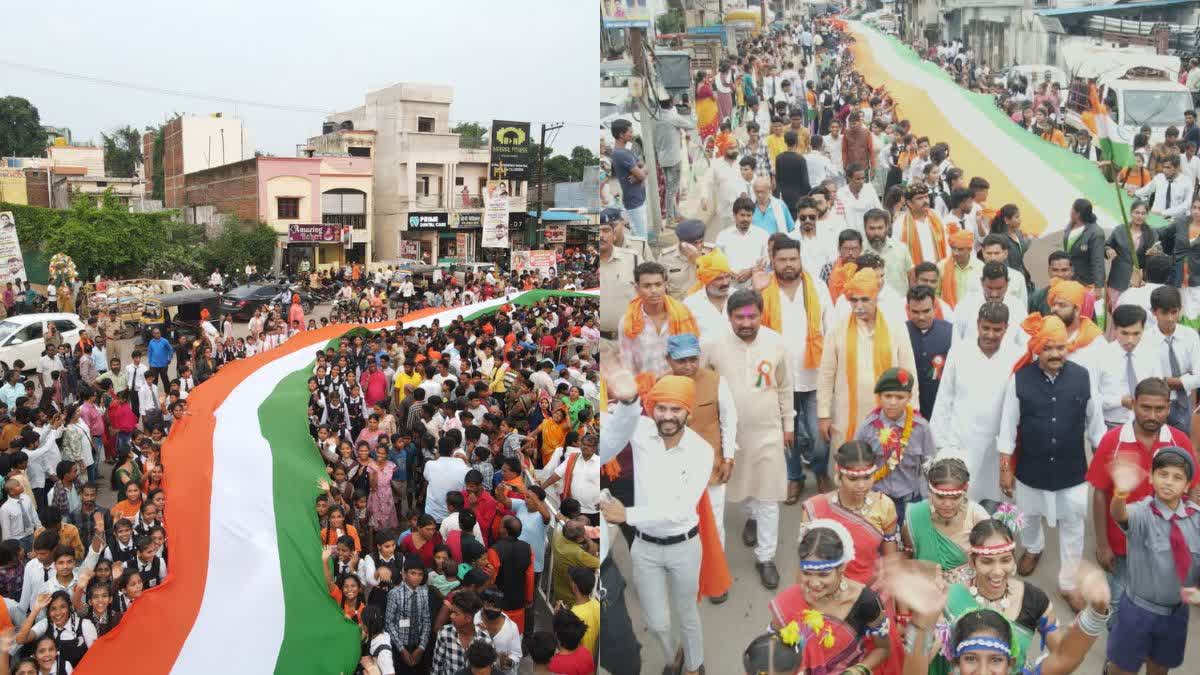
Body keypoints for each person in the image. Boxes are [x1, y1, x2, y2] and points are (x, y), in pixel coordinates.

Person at [599, 372, 719, 675]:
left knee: (687, 613)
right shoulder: (639, 430)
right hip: (645, 548)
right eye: (661, 408)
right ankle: (672, 658)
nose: (667, 416)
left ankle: (693, 666)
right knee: (656, 622)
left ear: (688, 413)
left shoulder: (701, 451)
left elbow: (679, 509)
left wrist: (628, 515)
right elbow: (612, 422)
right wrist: (625, 398)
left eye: (675, 409)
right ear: (651, 409)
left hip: (685, 546)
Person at [998, 314, 1106, 611]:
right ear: (1037, 350)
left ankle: (1069, 583)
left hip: (1072, 470)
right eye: (1049, 348)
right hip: (1030, 469)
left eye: (1060, 347)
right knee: (1028, 516)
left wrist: (1102, 459)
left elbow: (1096, 424)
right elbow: (1008, 427)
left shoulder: (1083, 377)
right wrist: (1006, 469)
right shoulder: (1020, 380)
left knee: (1074, 524)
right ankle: (1033, 548)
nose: (1056, 354)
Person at [1088, 377, 1197, 631]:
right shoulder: (1112, 441)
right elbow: (1100, 494)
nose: (1152, 415)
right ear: (1133, 405)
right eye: (1145, 407)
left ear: (1168, 409)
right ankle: (1117, 658)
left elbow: (1193, 487)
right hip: (1122, 545)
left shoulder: (1179, 441)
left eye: (1159, 409)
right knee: (1118, 601)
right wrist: (1102, 545)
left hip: (1168, 543)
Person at [706, 289, 794, 589]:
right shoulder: (713, 347)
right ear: (729, 317)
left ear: (761, 315)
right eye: (739, 317)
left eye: (752, 316)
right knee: (742, 488)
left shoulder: (777, 344)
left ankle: (765, 557)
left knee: (768, 495)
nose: (746, 323)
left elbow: (784, 387)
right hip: (729, 436)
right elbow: (705, 389)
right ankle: (751, 516)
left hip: (768, 432)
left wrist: (789, 424)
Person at [1106, 446, 1200, 675]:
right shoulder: (1142, 512)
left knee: (1159, 669)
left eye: (1177, 477)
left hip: (1175, 614)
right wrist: (1120, 493)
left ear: (1188, 485)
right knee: (1122, 668)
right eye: (1163, 474)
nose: (1168, 482)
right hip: (1137, 611)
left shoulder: (1196, 519)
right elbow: (1120, 514)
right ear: (1151, 477)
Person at [756, 238, 833, 500]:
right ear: (773, 261)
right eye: (782, 260)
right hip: (778, 378)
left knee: (820, 435)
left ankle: (821, 471)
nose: (788, 265)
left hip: (814, 376)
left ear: (800, 259)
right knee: (787, 436)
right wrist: (755, 292)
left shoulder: (818, 288)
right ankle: (794, 478)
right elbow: (749, 325)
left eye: (793, 259)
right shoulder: (764, 290)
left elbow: (830, 329)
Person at [766, 521, 891, 673]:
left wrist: (857, 670)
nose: (814, 583)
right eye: (807, 573)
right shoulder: (790, 600)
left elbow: (883, 649)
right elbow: (771, 648)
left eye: (823, 574)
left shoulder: (865, 601)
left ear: (842, 567)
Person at [818, 265, 918, 446]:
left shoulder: (894, 326)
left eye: (865, 300)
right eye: (854, 301)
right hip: (847, 415)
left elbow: (909, 371)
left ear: (875, 298)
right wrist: (824, 414)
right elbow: (826, 375)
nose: (859, 306)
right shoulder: (837, 329)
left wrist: (913, 411)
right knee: (850, 465)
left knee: (886, 463)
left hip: (889, 411)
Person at [660, 333, 736, 570]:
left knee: (713, 521)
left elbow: (729, 420)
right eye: (681, 361)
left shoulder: (716, 381)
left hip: (711, 465)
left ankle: (715, 570)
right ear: (668, 360)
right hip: (674, 468)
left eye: (693, 359)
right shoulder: (661, 385)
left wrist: (728, 458)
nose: (688, 365)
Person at [902, 457, 990, 585]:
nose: (947, 504)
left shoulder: (977, 516)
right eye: (940, 496)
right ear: (930, 491)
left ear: (965, 492)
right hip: (924, 588)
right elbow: (907, 555)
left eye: (955, 497)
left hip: (966, 590)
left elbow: (991, 562)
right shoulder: (915, 515)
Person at [618, 262, 699, 379]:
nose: (654, 290)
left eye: (658, 284)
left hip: (679, 386)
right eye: (647, 286)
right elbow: (627, 364)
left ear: (665, 285)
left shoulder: (682, 315)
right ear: (637, 288)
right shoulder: (628, 321)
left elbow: (693, 357)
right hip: (645, 390)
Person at [1145, 286, 1200, 433]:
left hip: (1184, 403)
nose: (1170, 318)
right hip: (1156, 402)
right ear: (1154, 312)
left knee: (1183, 446)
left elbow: (1199, 377)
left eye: (1174, 312)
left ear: (1180, 309)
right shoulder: (1146, 340)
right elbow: (1147, 379)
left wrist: (1164, 381)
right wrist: (1185, 378)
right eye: (1164, 313)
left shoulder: (1191, 336)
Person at [904, 285, 953, 419]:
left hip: (941, 407)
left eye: (926, 311)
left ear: (935, 308)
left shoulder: (950, 332)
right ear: (908, 309)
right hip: (909, 407)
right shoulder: (900, 332)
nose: (921, 317)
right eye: (915, 312)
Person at [1105, 199, 1158, 309]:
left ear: (1147, 215)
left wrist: (1154, 253)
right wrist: (1108, 250)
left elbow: (1156, 252)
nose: (1140, 216)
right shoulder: (1120, 230)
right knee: (1116, 312)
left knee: (1133, 314)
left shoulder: (1151, 233)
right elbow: (1107, 245)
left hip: (1138, 281)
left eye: (1143, 213)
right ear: (1131, 213)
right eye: (1137, 212)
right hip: (1118, 279)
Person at [654, 97, 694, 224]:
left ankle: (676, 214)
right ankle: (671, 218)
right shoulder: (673, 117)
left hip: (662, 158)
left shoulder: (656, 116)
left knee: (670, 188)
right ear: (671, 103)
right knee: (672, 190)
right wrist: (689, 110)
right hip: (674, 159)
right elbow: (691, 125)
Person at [715, 197, 770, 290]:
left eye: (749, 215)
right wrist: (729, 273)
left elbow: (767, 260)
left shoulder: (762, 235)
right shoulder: (723, 236)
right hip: (729, 287)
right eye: (742, 215)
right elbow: (717, 262)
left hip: (756, 287)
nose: (746, 219)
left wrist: (751, 272)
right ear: (734, 215)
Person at [682, 249, 733, 344]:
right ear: (706, 280)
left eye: (728, 276)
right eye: (719, 279)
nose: (725, 282)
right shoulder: (690, 304)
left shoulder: (740, 297)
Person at [609, 119, 648, 238]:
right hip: (634, 201)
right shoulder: (621, 154)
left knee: (640, 236)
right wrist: (640, 175)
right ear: (621, 134)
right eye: (630, 132)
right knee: (641, 239)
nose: (632, 134)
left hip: (638, 199)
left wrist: (638, 175)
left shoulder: (625, 151)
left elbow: (644, 165)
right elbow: (643, 172)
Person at [1062, 198, 1106, 289]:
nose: (1070, 211)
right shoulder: (1071, 225)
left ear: (1077, 214)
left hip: (1086, 282)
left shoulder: (1096, 233)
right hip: (1070, 278)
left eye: (1072, 209)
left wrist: (1098, 287)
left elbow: (1098, 262)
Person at [836, 163, 881, 235]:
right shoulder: (840, 193)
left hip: (869, 235)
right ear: (849, 178)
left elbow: (879, 210)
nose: (861, 182)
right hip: (850, 236)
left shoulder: (870, 189)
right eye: (858, 179)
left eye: (863, 178)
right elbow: (839, 218)